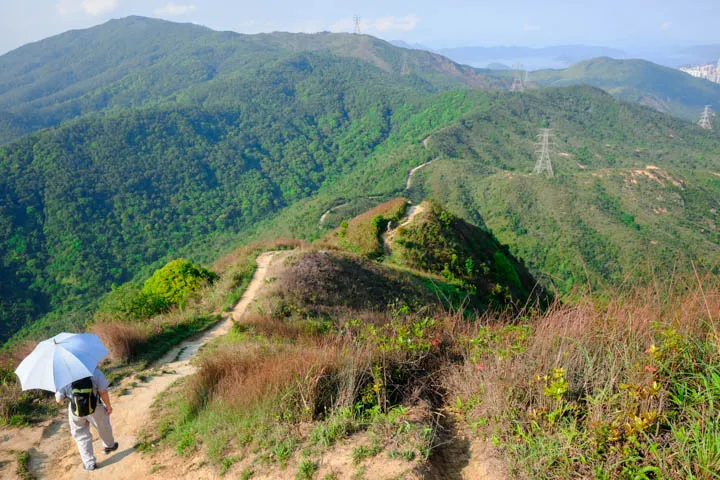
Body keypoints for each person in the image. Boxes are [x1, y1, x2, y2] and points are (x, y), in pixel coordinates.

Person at [55, 368, 119, 471]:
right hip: (95, 407)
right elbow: (103, 391)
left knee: (81, 435)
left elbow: (59, 400)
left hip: (75, 410)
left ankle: (89, 463)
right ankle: (109, 445)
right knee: (103, 426)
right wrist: (108, 406)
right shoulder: (94, 371)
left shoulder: (64, 377)